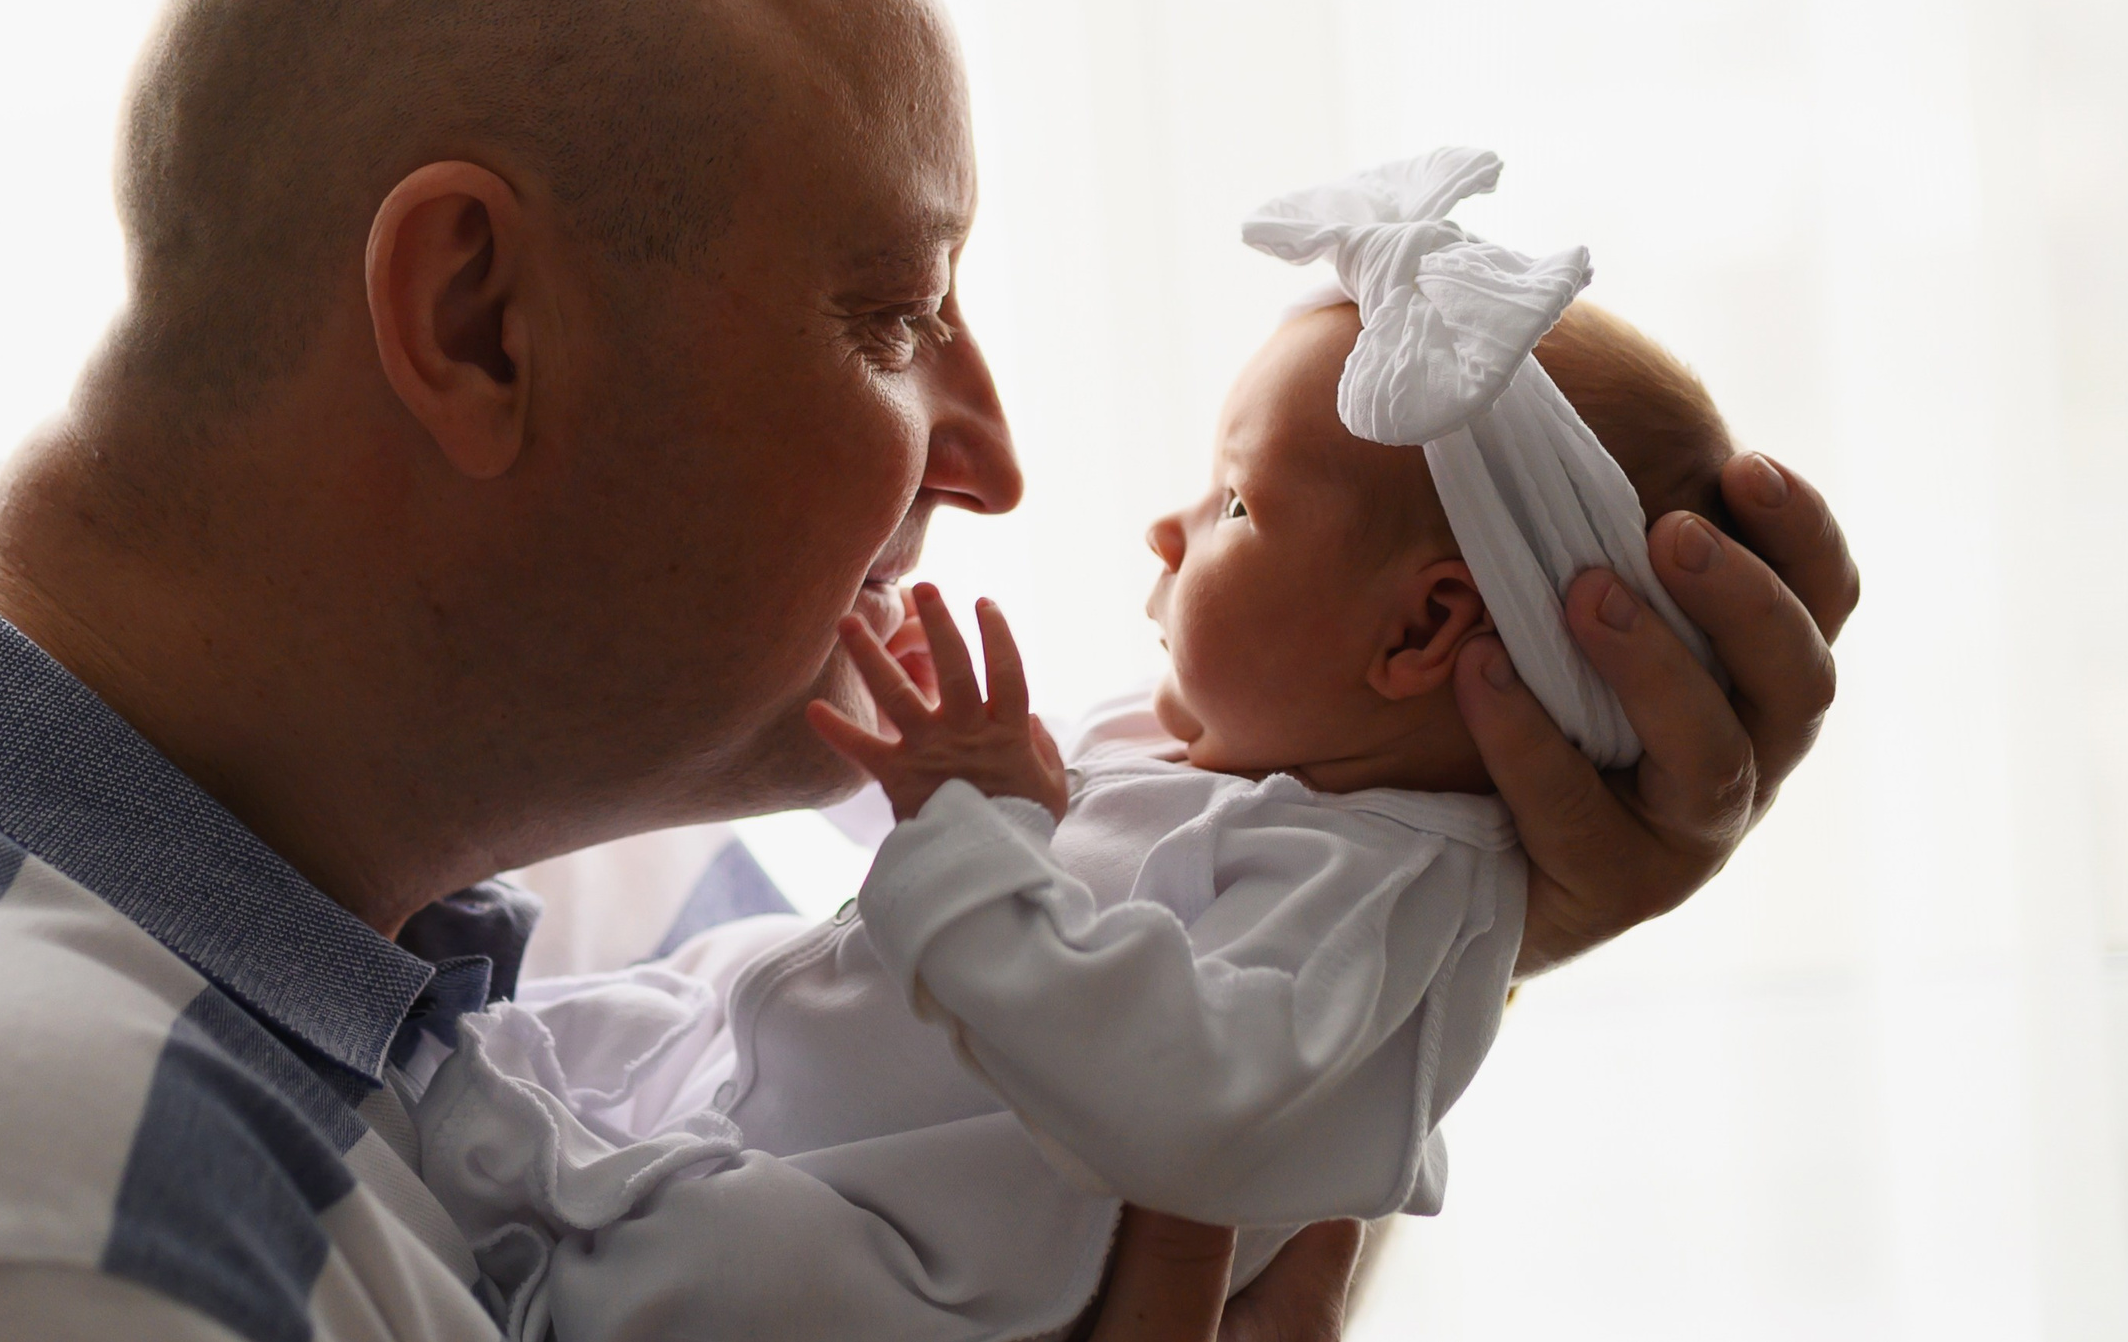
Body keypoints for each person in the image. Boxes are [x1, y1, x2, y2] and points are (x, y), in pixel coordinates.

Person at [0, 0, 1857, 1342]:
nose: (989, 456)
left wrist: (1448, 873)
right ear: (478, 321)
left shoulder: (376, 837)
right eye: (891, 312)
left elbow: (972, 1092)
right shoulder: (16, 1238)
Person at [394, 150, 1738, 1341]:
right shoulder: (1185, 740)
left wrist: (980, 839)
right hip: (793, 1077)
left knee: (754, 1274)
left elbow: (1188, 1099)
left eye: (1235, 502)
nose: (1170, 526)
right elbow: (1011, 868)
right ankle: (478, 1141)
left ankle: (541, 1275)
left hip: (922, 1261)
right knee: (632, 1022)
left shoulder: (1391, 893)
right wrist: (941, 773)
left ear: (1418, 629)